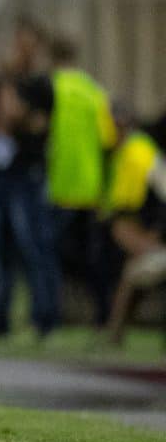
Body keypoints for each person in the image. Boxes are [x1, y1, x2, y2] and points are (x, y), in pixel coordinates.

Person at [0, 28, 58, 339]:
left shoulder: (39, 86)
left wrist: (13, 113)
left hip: (26, 176)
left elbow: (34, 122)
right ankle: (0, 319)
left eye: (25, 46)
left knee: (33, 247)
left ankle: (44, 316)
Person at [45, 36, 118, 326]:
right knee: (93, 256)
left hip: (59, 185)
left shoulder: (50, 88)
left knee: (50, 253)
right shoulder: (94, 91)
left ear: (52, 57)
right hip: (90, 185)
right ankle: (103, 313)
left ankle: (53, 315)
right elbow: (109, 139)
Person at [100, 111, 166, 343]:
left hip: (145, 230)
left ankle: (114, 332)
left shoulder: (140, 151)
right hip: (131, 225)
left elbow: (162, 192)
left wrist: (156, 231)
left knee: (135, 274)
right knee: (133, 275)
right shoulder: (123, 152)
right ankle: (114, 332)